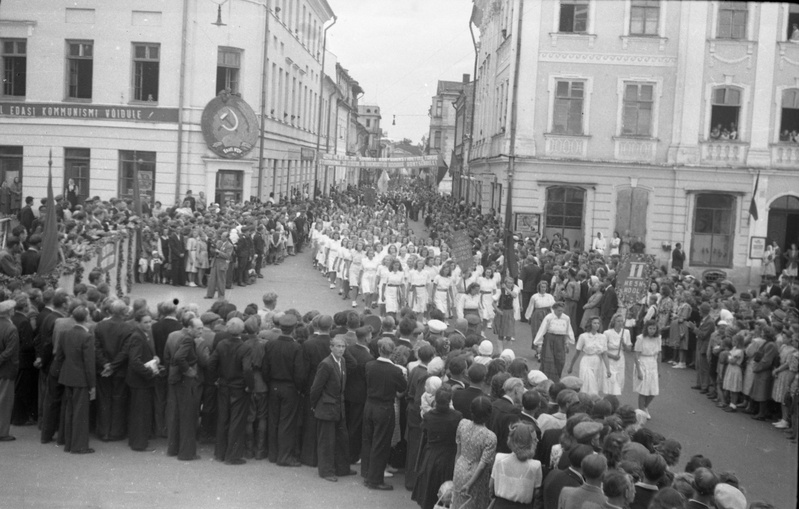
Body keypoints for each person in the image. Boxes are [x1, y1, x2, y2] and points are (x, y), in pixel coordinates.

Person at [361, 338, 407, 491]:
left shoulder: (369, 365)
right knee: (381, 444)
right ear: (392, 352)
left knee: (369, 440)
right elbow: (402, 387)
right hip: (385, 407)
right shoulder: (395, 371)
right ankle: (375, 479)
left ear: (380, 349)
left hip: (369, 405)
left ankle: (367, 474)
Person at [310, 335, 355, 482]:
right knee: (327, 442)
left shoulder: (342, 361)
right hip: (326, 408)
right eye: (338, 346)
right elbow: (316, 388)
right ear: (331, 347)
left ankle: (342, 468)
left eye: (343, 347)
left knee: (342, 439)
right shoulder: (326, 364)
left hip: (339, 407)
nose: (341, 349)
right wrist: (314, 405)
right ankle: (326, 471)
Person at [263, 313, 306, 466]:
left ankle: (273, 454)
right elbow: (299, 373)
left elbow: (265, 368)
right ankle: (285, 456)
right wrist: (299, 388)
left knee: (274, 420)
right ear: (294, 329)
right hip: (289, 387)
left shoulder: (271, 344)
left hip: (274, 385)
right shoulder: (296, 347)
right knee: (287, 423)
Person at [209, 318, 253, 465]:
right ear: (242, 330)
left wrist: (215, 378)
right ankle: (232, 455)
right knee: (237, 420)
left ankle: (219, 452)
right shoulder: (244, 347)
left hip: (223, 385)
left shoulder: (221, 344)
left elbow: (212, 363)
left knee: (223, 418)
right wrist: (249, 385)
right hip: (239, 387)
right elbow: (247, 369)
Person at [412, 386, 463, 509]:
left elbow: (423, 429)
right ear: (450, 400)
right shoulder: (457, 416)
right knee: (447, 491)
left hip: (432, 455)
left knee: (429, 488)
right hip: (449, 456)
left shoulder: (429, 416)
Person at [54, 305, 96, 454]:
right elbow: (89, 364)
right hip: (81, 378)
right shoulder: (87, 337)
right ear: (86, 317)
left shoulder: (65, 334)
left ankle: (67, 441)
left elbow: (59, 356)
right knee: (80, 412)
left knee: (69, 410)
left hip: (67, 376)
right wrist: (92, 385)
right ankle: (78, 445)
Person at [94, 299, 134, 442]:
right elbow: (125, 351)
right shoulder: (128, 328)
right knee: (118, 400)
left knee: (104, 400)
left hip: (103, 370)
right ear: (124, 312)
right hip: (120, 370)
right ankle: (115, 432)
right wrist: (113, 365)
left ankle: (103, 431)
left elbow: (96, 348)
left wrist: (105, 364)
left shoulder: (100, 326)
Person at [165, 315, 203, 461]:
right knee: (188, 417)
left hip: (175, 380)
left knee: (176, 415)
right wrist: (188, 370)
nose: (201, 331)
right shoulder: (188, 339)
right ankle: (186, 453)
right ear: (189, 328)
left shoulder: (174, 336)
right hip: (185, 381)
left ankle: (173, 449)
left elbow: (169, 358)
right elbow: (179, 358)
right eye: (198, 328)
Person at [452, 396, 497, 509]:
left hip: (460, 467)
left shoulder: (462, 424)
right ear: (488, 414)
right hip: (476, 475)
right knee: (474, 504)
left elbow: (458, 451)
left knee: (458, 503)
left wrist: (455, 470)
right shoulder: (490, 437)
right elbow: (482, 464)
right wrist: (469, 484)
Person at [125, 309, 159, 452]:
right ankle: (139, 443)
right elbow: (135, 360)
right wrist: (149, 372)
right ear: (138, 323)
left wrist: (154, 359)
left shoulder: (143, 335)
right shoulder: (138, 337)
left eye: (150, 322)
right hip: (140, 382)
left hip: (140, 381)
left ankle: (136, 440)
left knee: (140, 412)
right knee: (140, 413)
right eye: (145, 322)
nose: (148, 325)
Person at [489, 422, 544, 509]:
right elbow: (536, 493)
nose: (537, 441)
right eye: (534, 439)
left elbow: (491, 487)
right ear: (528, 443)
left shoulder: (499, 458)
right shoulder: (536, 465)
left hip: (499, 505)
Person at [533, 302, 576, 383]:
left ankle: (556, 380)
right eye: (559, 310)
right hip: (549, 341)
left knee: (560, 361)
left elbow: (567, 331)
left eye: (562, 311)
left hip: (560, 342)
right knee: (549, 362)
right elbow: (542, 330)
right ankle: (545, 380)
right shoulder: (549, 318)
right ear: (554, 310)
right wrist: (539, 344)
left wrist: (566, 343)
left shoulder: (566, 318)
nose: (560, 313)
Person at [568, 316, 610, 395]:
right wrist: (571, 366)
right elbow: (577, 353)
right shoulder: (583, 336)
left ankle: (592, 401)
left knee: (594, 383)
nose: (596, 325)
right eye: (594, 323)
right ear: (590, 324)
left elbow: (604, 354)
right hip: (586, 361)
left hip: (597, 362)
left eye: (598, 323)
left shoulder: (603, 337)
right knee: (586, 381)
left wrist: (608, 369)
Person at [634, 320, 662, 419]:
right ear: (646, 328)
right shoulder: (640, 338)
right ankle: (641, 411)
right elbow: (636, 355)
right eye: (650, 328)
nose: (652, 331)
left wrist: (659, 369)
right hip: (643, 362)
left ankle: (645, 407)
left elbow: (659, 354)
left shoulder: (658, 338)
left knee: (653, 390)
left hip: (653, 363)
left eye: (654, 328)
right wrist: (638, 370)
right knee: (643, 389)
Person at [0, 299, 19, 442]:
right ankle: (2, 432)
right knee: (5, 403)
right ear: (9, 312)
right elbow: (10, 351)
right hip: (6, 370)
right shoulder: (11, 328)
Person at [603, 314, 632, 396]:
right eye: (618, 321)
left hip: (620, 359)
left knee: (618, 381)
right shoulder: (607, 333)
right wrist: (613, 356)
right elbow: (603, 350)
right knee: (611, 381)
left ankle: (613, 400)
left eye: (621, 321)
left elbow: (629, 350)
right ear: (614, 322)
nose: (620, 323)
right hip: (609, 358)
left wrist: (624, 344)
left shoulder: (626, 332)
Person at [206, 229, 234, 299]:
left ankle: (221, 295)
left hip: (222, 264)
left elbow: (227, 256)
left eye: (223, 237)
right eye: (221, 236)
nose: (221, 238)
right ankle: (209, 294)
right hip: (215, 262)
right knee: (212, 280)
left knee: (221, 280)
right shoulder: (218, 242)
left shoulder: (230, 245)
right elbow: (213, 251)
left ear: (227, 238)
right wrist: (213, 249)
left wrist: (218, 252)